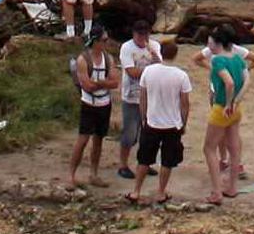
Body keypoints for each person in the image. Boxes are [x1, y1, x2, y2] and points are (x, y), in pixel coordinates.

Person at [133, 40, 193, 205]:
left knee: (144, 158)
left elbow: (143, 97)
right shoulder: (181, 75)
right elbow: (185, 103)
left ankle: (136, 190)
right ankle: (160, 192)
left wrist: (143, 117)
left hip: (152, 122)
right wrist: (184, 123)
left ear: (161, 52)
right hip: (172, 124)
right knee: (168, 160)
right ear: (175, 54)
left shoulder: (148, 72)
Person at [200, 28, 251, 203]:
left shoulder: (218, 60)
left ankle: (216, 191)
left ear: (218, 43)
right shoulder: (237, 58)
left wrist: (228, 103)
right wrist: (237, 100)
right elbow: (247, 80)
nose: (208, 45)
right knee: (234, 147)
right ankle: (232, 187)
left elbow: (228, 82)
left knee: (209, 148)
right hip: (236, 109)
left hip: (222, 107)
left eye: (210, 42)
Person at [68, 27, 119, 186]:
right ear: (95, 41)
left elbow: (115, 82)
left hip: (104, 104)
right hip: (89, 104)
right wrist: (104, 83)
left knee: (99, 140)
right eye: (104, 40)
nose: (107, 42)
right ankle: (71, 175)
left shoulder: (108, 58)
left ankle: (94, 174)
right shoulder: (83, 60)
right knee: (82, 139)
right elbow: (87, 86)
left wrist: (99, 83)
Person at [116, 22, 162, 181]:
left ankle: (144, 162)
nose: (142, 38)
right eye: (139, 34)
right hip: (131, 96)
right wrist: (150, 70)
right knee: (130, 133)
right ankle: (123, 164)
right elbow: (131, 72)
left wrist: (154, 56)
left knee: (148, 133)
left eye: (145, 34)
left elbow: (160, 67)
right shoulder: (127, 48)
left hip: (150, 96)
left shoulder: (154, 45)